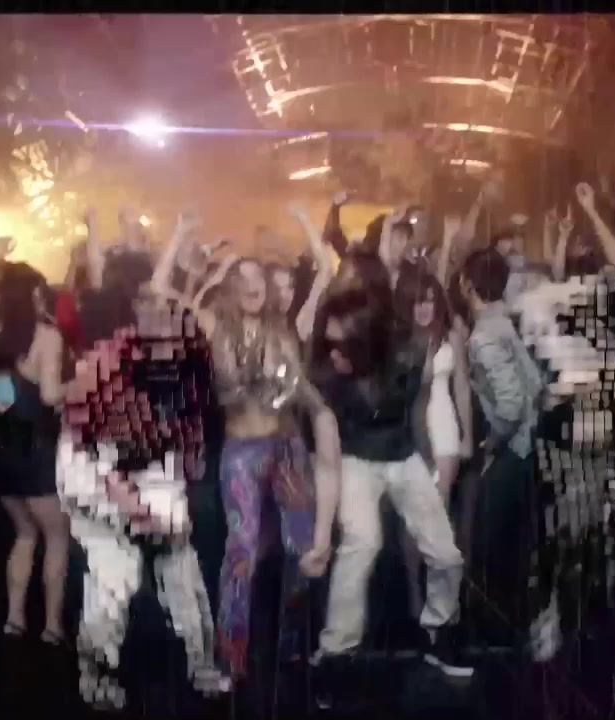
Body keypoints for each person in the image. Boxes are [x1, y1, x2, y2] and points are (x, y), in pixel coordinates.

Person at [151, 206, 341, 683]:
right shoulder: (214, 327)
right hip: (242, 454)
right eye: (246, 279)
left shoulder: (285, 328)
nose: (255, 285)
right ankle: (231, 655)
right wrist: (179, 234)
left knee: (300, 550)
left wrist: (305, 222)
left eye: (260, 278)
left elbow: (326, 270)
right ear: (233, 289)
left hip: (286, 449)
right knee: (243, 553)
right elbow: (159, 290)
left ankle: (292, 643)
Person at [310, 256, 472, 690]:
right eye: (330, 344)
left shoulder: (409, 351)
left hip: (402, 456)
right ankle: (335, 653)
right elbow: (326, 449)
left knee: (446, 554)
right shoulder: (327, 371)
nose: (334, 352)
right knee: (362, 543)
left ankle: (438, 630)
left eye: (342, 346)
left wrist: (433, 461)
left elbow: (417, 409)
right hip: (355, 459)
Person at [0, 262, 69, 644]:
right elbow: (50, 395)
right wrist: (81, 381)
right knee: (56, 536)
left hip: (0, 450)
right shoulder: (46, 336)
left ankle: (14, 618)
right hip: (35, 450)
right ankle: (52, 626)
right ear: (32, 295)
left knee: (24, 533)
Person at [458, 248, 547, 648]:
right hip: (530, 444)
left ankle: (496, 635)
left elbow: (510, 405)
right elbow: (535, 384)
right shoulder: (502, 321)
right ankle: (514, 631)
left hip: (512, 448)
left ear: (467, 284)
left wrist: (490, 445)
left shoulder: (483, 336)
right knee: (514, 545)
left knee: (492, 545)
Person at [393, 267, 475, 618]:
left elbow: (462, 388)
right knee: (411, 523)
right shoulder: (399, 341)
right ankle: (414, 596)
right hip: (410, 431)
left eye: (429, 300)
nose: (424, 308)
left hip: (443, 428)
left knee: (437, 517)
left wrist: (467, 435)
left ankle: (442, 603)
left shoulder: (450, 336)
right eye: (416, 302)